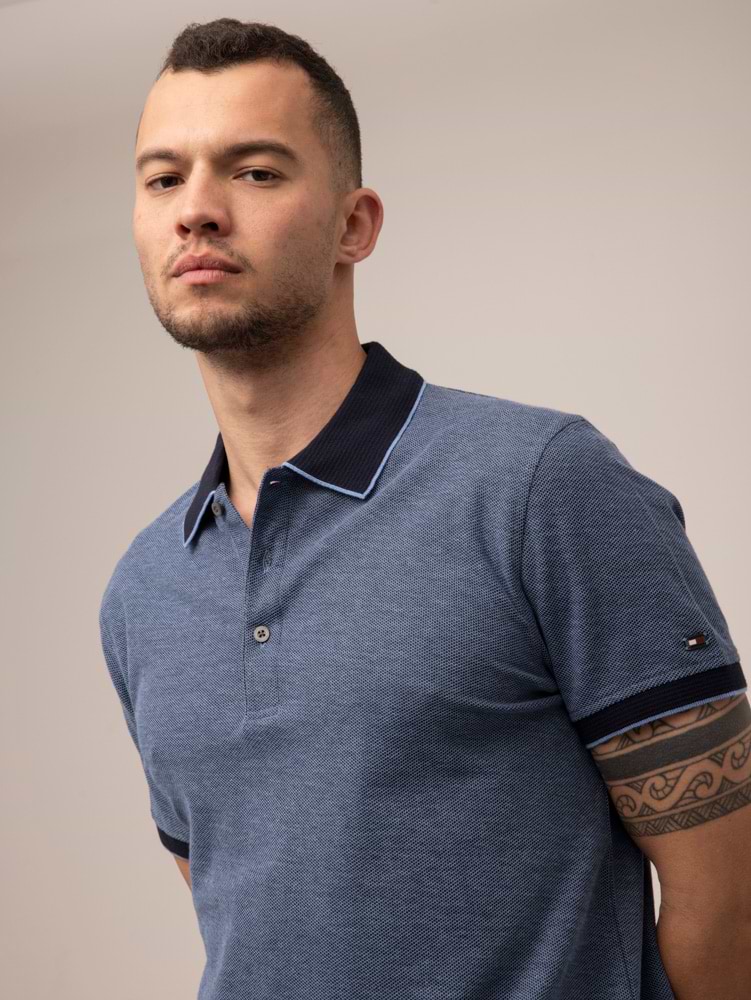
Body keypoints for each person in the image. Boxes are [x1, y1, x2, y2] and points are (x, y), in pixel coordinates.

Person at [99, 18, 750, 1000]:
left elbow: (726, 899)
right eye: (162, 178)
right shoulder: (144, 590)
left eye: (255, 171)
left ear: (354, 225)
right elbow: (245, 914)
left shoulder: (540, 488)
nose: (196, 210)